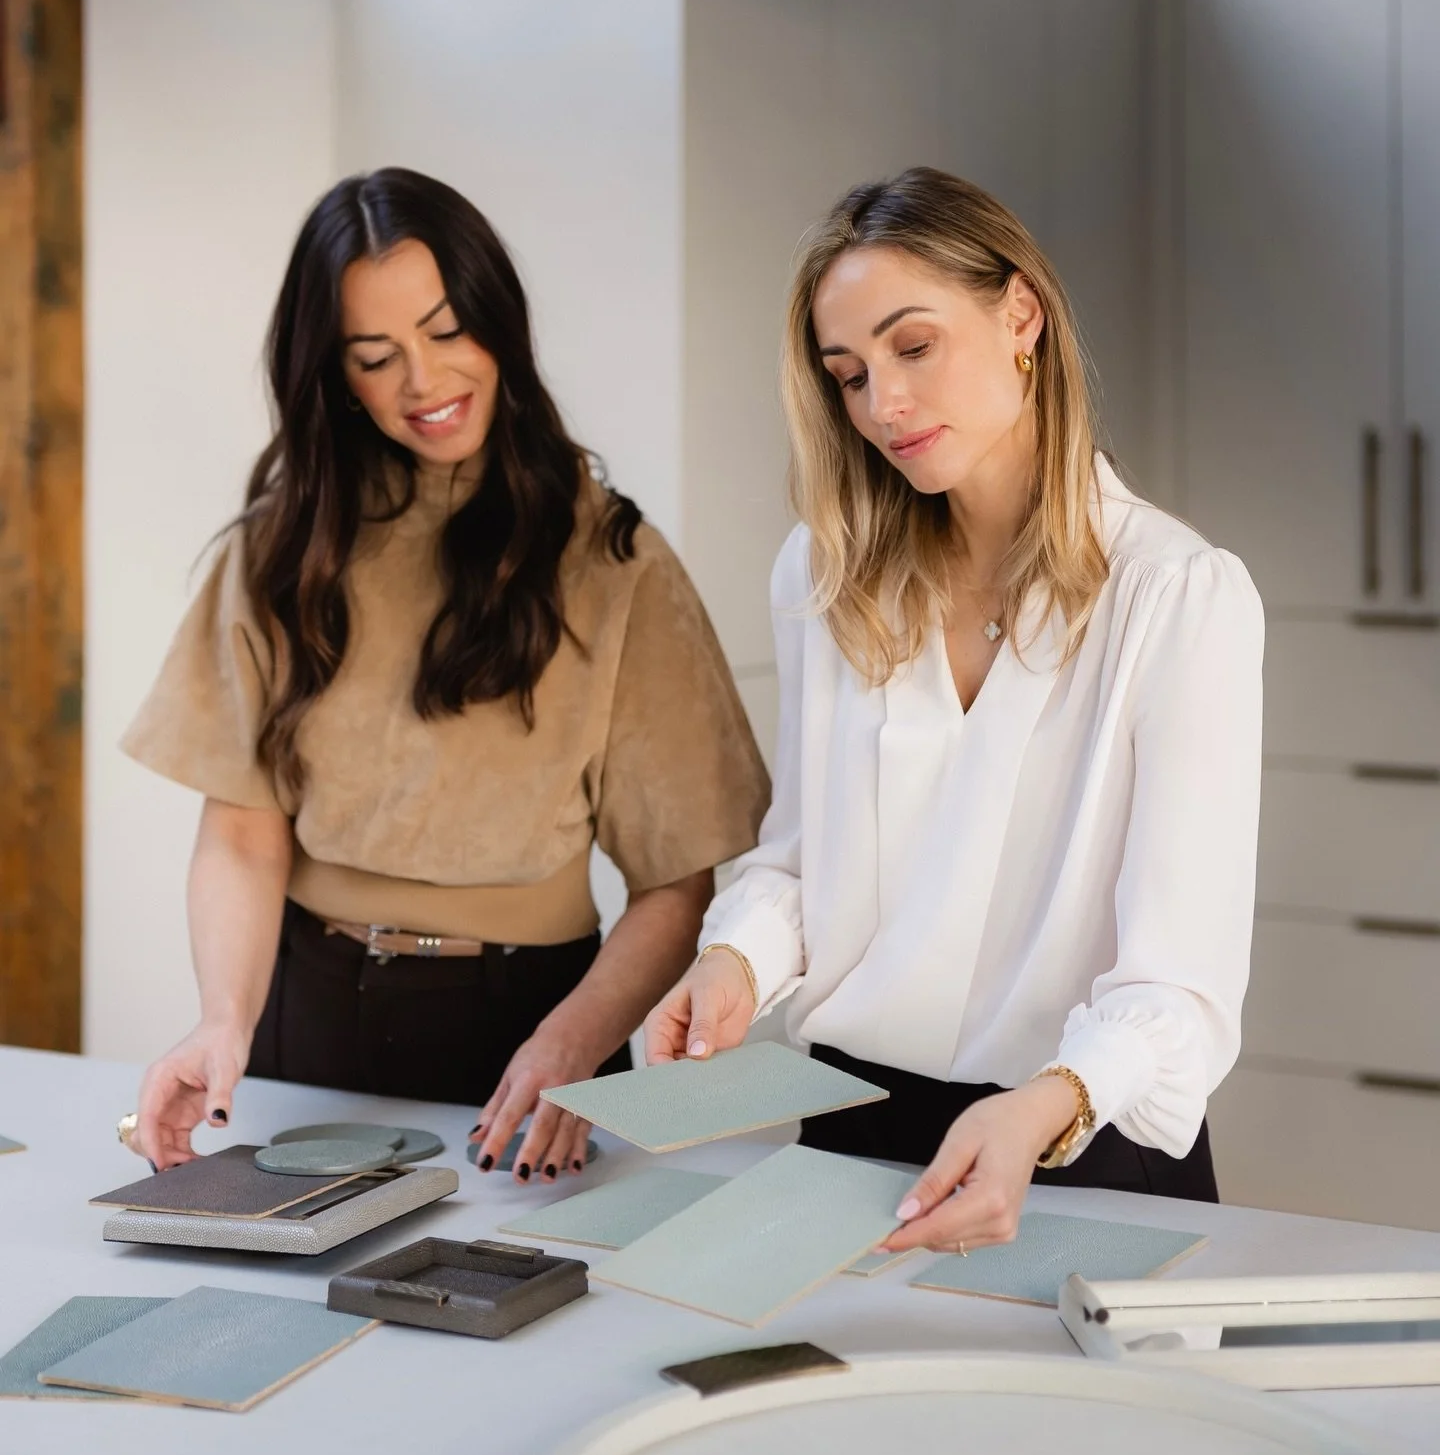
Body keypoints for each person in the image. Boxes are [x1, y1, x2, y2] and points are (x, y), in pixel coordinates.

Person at [645, 167, 1263, 1257]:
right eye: (849, 374)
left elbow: (1181, 987)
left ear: (1020, 315)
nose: (883, 403)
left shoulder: (1175, 596)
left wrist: (1045, 1106)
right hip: (851, 1143)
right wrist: (733, 961)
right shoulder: (828, 577)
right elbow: (796, 862)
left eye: (913, 346)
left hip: (1081, 1142)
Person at [125, 167, 769, 1182]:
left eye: (446, 331)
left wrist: (574, 1047)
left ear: (499, 320)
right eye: (378, 357)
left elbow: (678, 885)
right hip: (307, 1013)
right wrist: (222, 1022)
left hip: (527, 1033)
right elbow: (243, 838)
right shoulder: (281, 553)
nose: (424, 383)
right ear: (336, 375)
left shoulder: (613, 562)